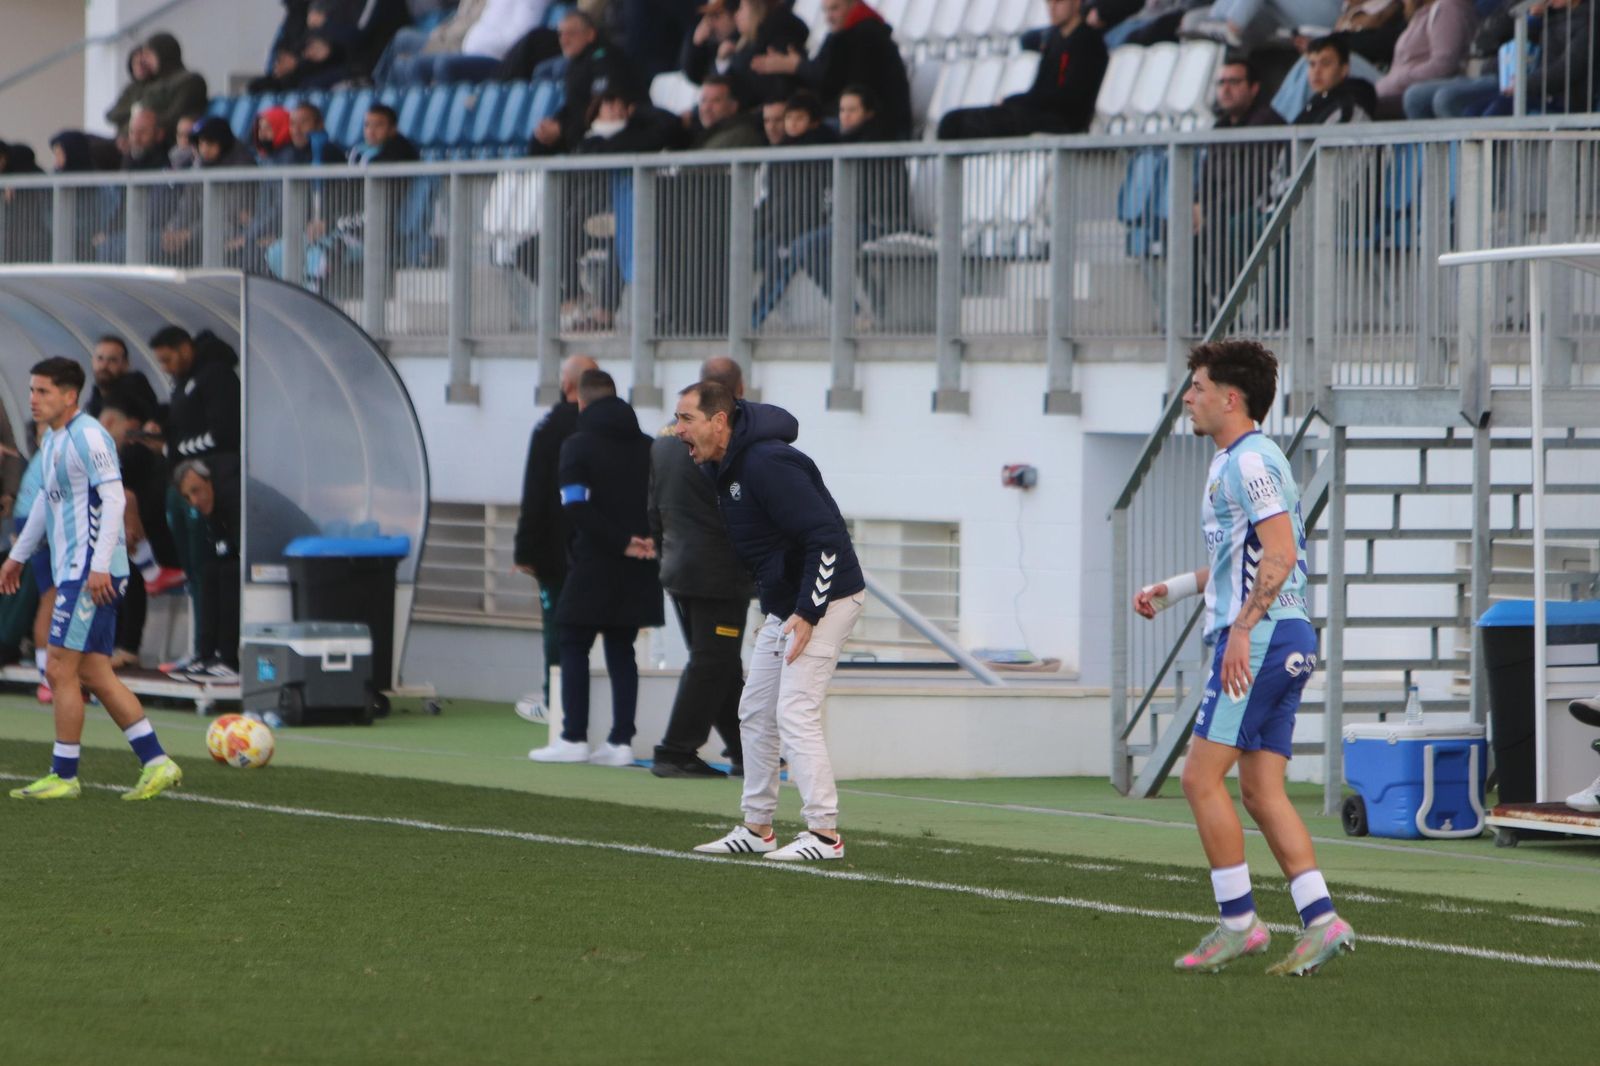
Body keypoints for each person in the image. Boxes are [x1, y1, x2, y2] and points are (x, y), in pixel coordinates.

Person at [1134, 338, 1355, 976]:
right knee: (1259, 789)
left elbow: (1279, 555)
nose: (1189, 399)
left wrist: (1241, 629)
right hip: (1280, 637)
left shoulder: (1250, 463)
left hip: (1260, 639)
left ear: (1231, 398)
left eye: (1198, 387)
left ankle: (1239, 923)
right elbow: (1245, 558)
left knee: (1200, 779)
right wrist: (1174, 589)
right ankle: (1322, 920)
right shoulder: (1243, 458)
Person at [678, 382, 866, 862]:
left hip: (826, 601)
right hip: (787, 606)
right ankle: (758, 827)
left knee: (794, 712)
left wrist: (807, 612)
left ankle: (825, 834)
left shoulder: (767, 463)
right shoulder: (728, 466)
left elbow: (825, 536)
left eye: (686, 420)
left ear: (719, 421)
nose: (678, 430)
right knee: (755, 711)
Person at [0, 357, 183, 802]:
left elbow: (116, 497)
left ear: (69, 395)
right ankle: (158, 763)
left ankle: (64, 775)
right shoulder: (53, 442)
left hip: (89, 572)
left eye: (42, 391)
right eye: (31, 390)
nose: (33, 399)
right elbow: (46, 501)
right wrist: (18, 557)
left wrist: (99, 565)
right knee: (96, 673)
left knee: (60, 666)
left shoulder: (89, 436)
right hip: (76, 569)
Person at [528, 369, 664, 767]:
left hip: (595, 561)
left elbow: (575, 506)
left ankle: (572, 736)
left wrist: (620, 541)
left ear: (581, 402)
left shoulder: (578, 446)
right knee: (622, 648)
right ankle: (621, 741)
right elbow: (662, 501)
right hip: (642, 563)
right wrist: (647, 539)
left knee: (572, 639)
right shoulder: (648, 446)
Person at [648, 357, 753, 778]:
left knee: (719, 661)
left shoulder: (663, 437)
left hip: (678, 567)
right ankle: (674, 751)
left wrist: (663, 553)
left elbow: (653, 509)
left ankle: (748, 750)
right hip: (718, 575)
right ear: (736, 393)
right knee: (713, 661)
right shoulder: (725, 441)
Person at [148, 325, 241, 674]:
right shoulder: (185, 383)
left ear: (185, 348)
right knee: (196, 571)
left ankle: (220, 653)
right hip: (186, 480)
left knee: (212, 567)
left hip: (210, 478)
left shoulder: (215, 376)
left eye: (169, 359)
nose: (167, 368)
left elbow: (224, 434)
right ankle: (203, 650)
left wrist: (173, 449)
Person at [513, 354, 599, 722]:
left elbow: (535, 491)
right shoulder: (615, 428)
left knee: (557, 624)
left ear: (567, 386)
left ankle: (556, 702)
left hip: (555, 547)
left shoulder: (550, 427)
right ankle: (593, 706)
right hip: (603, 547)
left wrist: (524, 548)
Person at [98, 389, 185, 669]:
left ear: (110, 423)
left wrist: (131, 529)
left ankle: (126, 646)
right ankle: (120, 644)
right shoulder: (141, 457)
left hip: (162, 546)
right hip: (157, 541)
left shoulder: (134, 452)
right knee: (122, 566)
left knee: (126, 570)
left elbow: (128, 498)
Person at [938, 0, 1109, 139]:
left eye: (1058, 2)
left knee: (958, 124)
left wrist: (1016, 101)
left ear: (1076, 3)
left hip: (1059, 122)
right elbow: (1040, 90)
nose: (1052, 8)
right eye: (1048, 3)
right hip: (1038, 113)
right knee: (951, 121)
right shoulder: (1053, 40)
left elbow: (1069, 99)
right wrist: (1016, 101)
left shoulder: (1088, 42)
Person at [751, 0, 912, 139]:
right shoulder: (843, 35)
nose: (829, 16)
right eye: (826, 10)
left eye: (835, 8)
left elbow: (831, 81)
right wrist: (794, 68)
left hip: (879, 127)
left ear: (853, 5)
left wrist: (796, 66)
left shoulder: (866, 35)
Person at [172, 456, 242, 681]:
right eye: (187, 496)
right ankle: (205, 654)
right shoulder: (212, 509)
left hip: (272, 555)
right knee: (210, 571)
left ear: (209, 481)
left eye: (196, 491)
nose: (194, 501)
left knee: (228, 573)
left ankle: (229, 658)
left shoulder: (234, 495)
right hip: (239, 556)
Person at [529, 11, 634, 154]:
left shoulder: (606, 59)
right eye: (560, 34)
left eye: (571, 34)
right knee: (539, 141)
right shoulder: (575, 64)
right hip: (578, 128)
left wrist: (562, 128)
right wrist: (554, 123)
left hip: (616, 128)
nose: (564, 40)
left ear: (590, 34)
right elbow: (573, 104)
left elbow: (600, 107)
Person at [1373, 0, 1476, 118]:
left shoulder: (1447, 8)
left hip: (1408, 90)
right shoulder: (1422, 13)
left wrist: (1400, 79)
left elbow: (1443, 65)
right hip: (1389, 88)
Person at [138, 33, 210, 139]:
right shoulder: (154, 84)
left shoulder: (191, 81)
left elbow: (175, 117)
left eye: (149, 55)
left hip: (170, 140)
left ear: (163, 54)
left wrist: (147, 122)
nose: (146, 61)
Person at [1294, 36, 1376, 124]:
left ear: (1344, 70)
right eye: (1312, 64)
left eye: (1325, 63)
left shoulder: (1348, 108)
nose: (1316, 72)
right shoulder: (1319, 100)